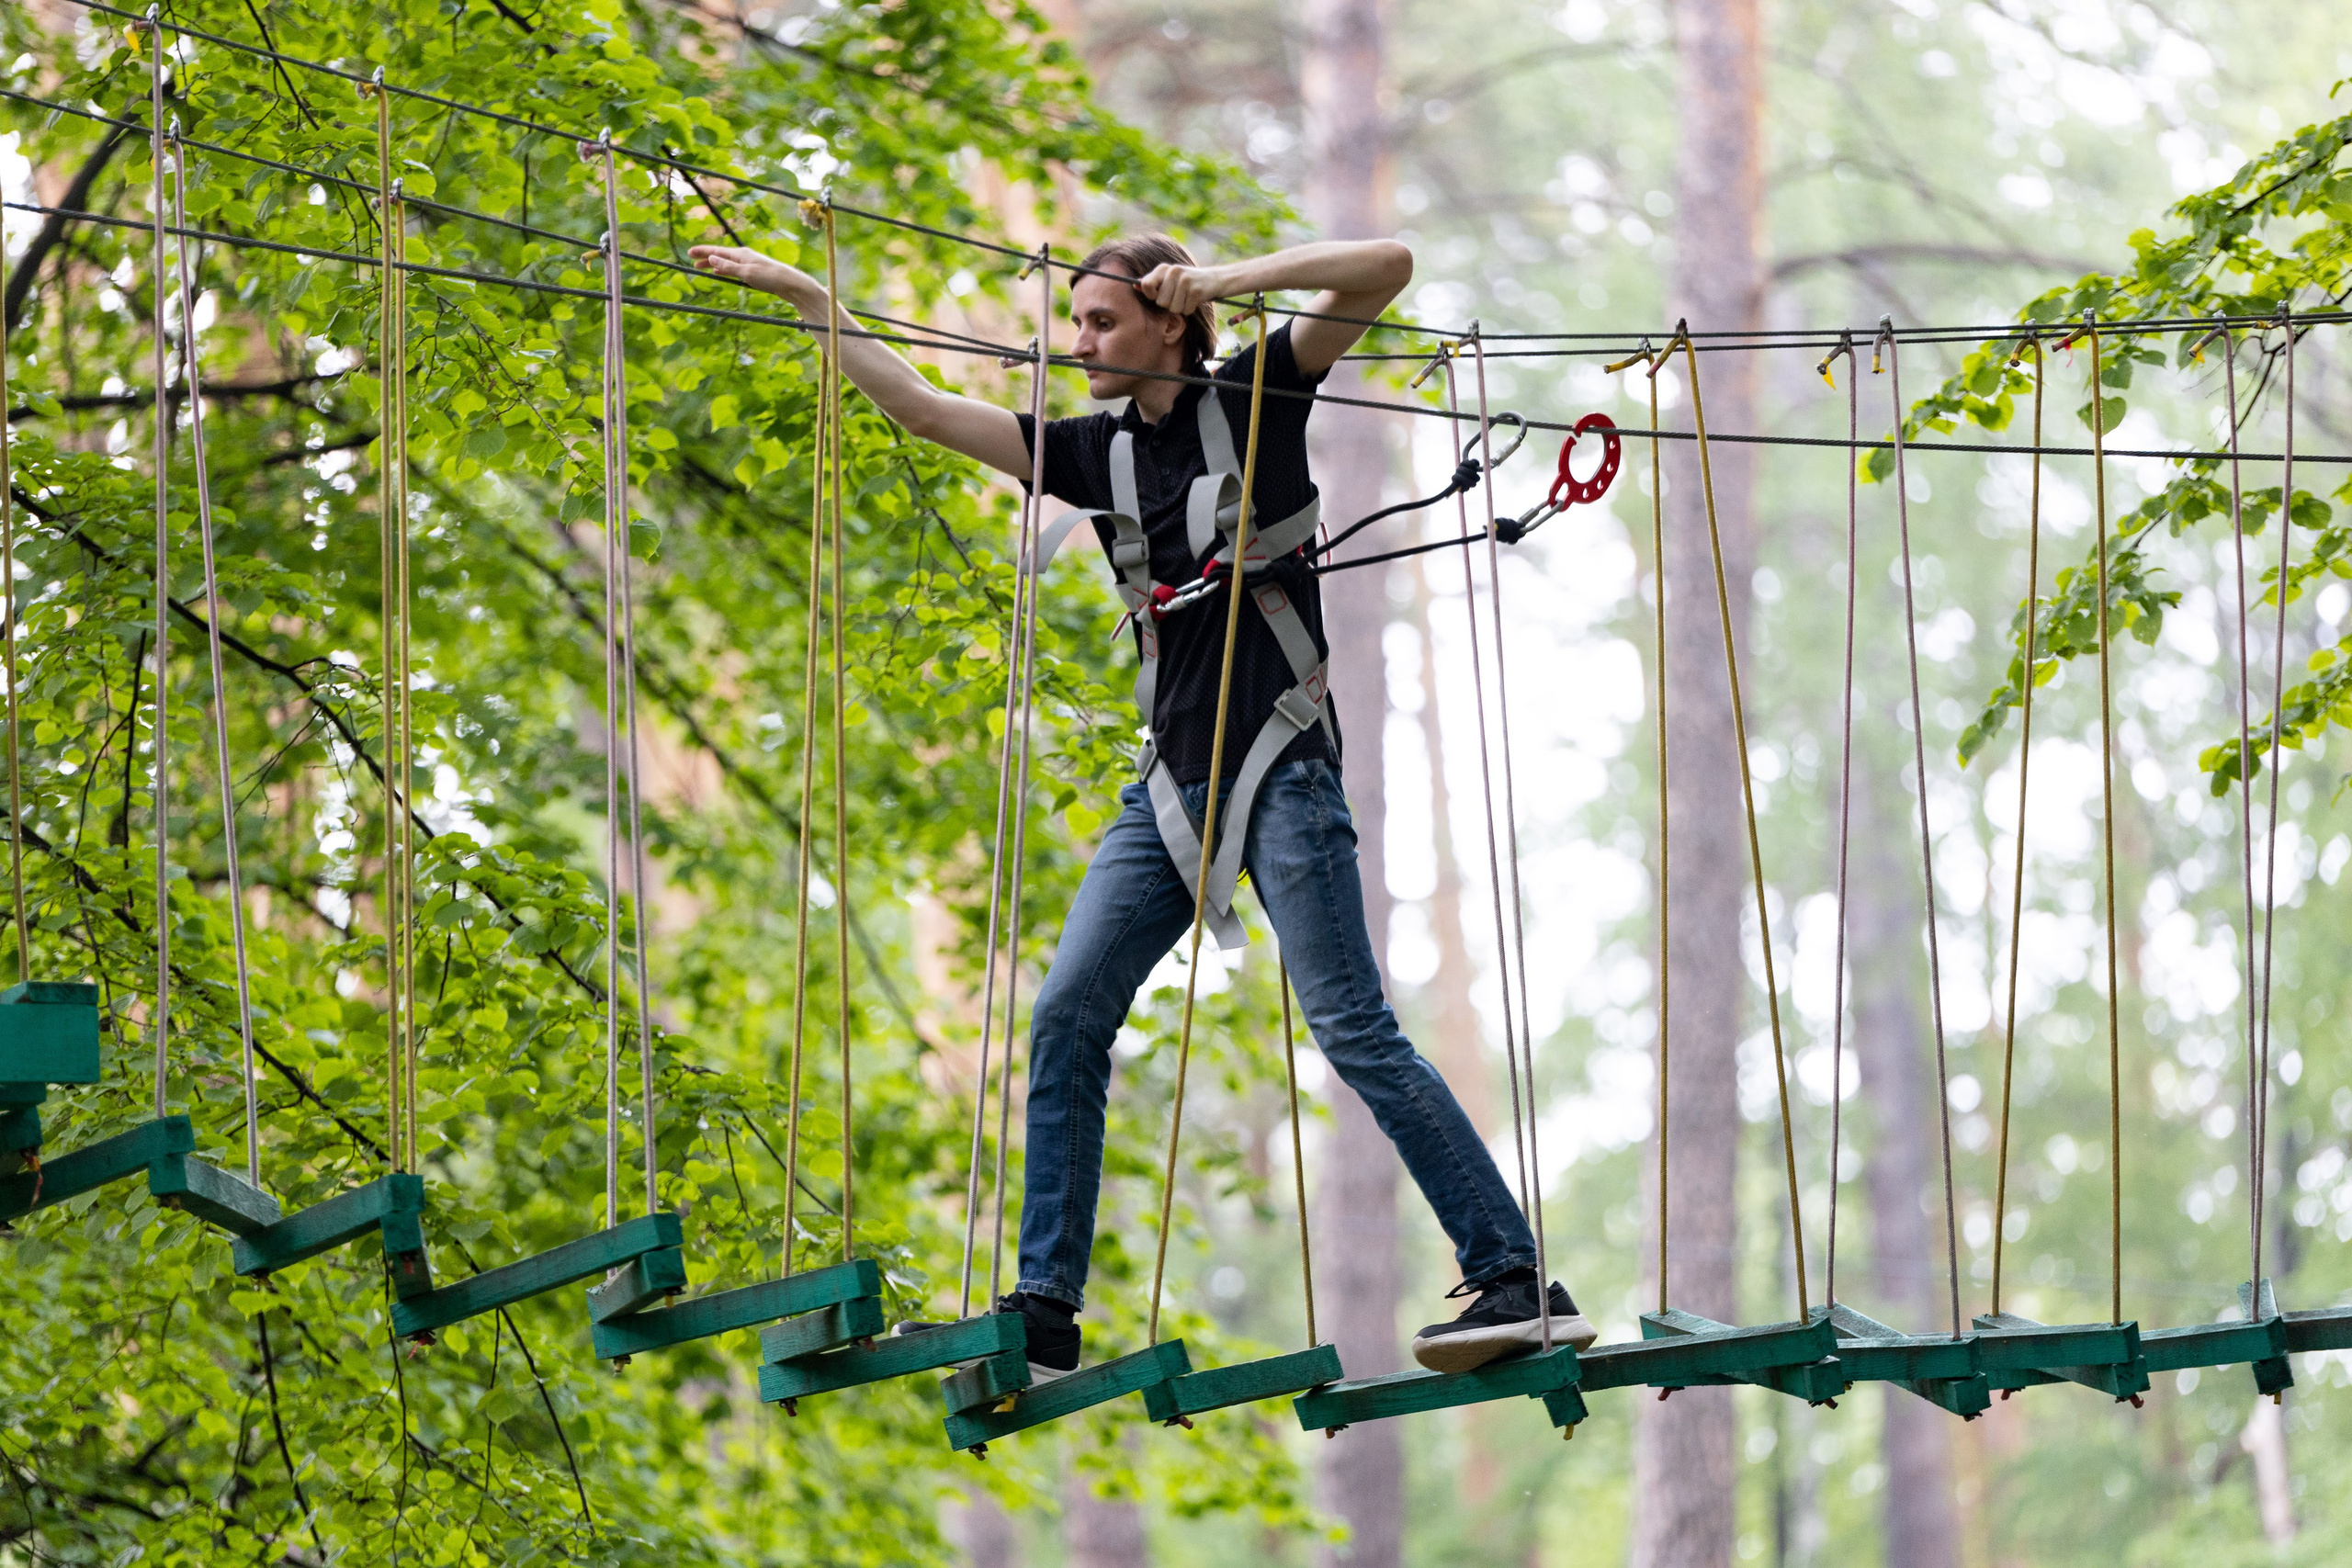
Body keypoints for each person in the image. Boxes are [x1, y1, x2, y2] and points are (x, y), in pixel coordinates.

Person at [688, 231, 1593, 1378]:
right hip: (1169, 791)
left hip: (1280, 766)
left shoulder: (1258, 396)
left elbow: (1388, 266)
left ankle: (1515, 1277)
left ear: (1169, 320)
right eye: (1075, 324)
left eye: (1101, 323)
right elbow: (922, 410)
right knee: (1065, 1014)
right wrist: (817, 301)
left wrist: (1224, 280)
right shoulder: (1087, 452)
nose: (1079, 344)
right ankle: (1046, 1307)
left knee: (1352, 1030)